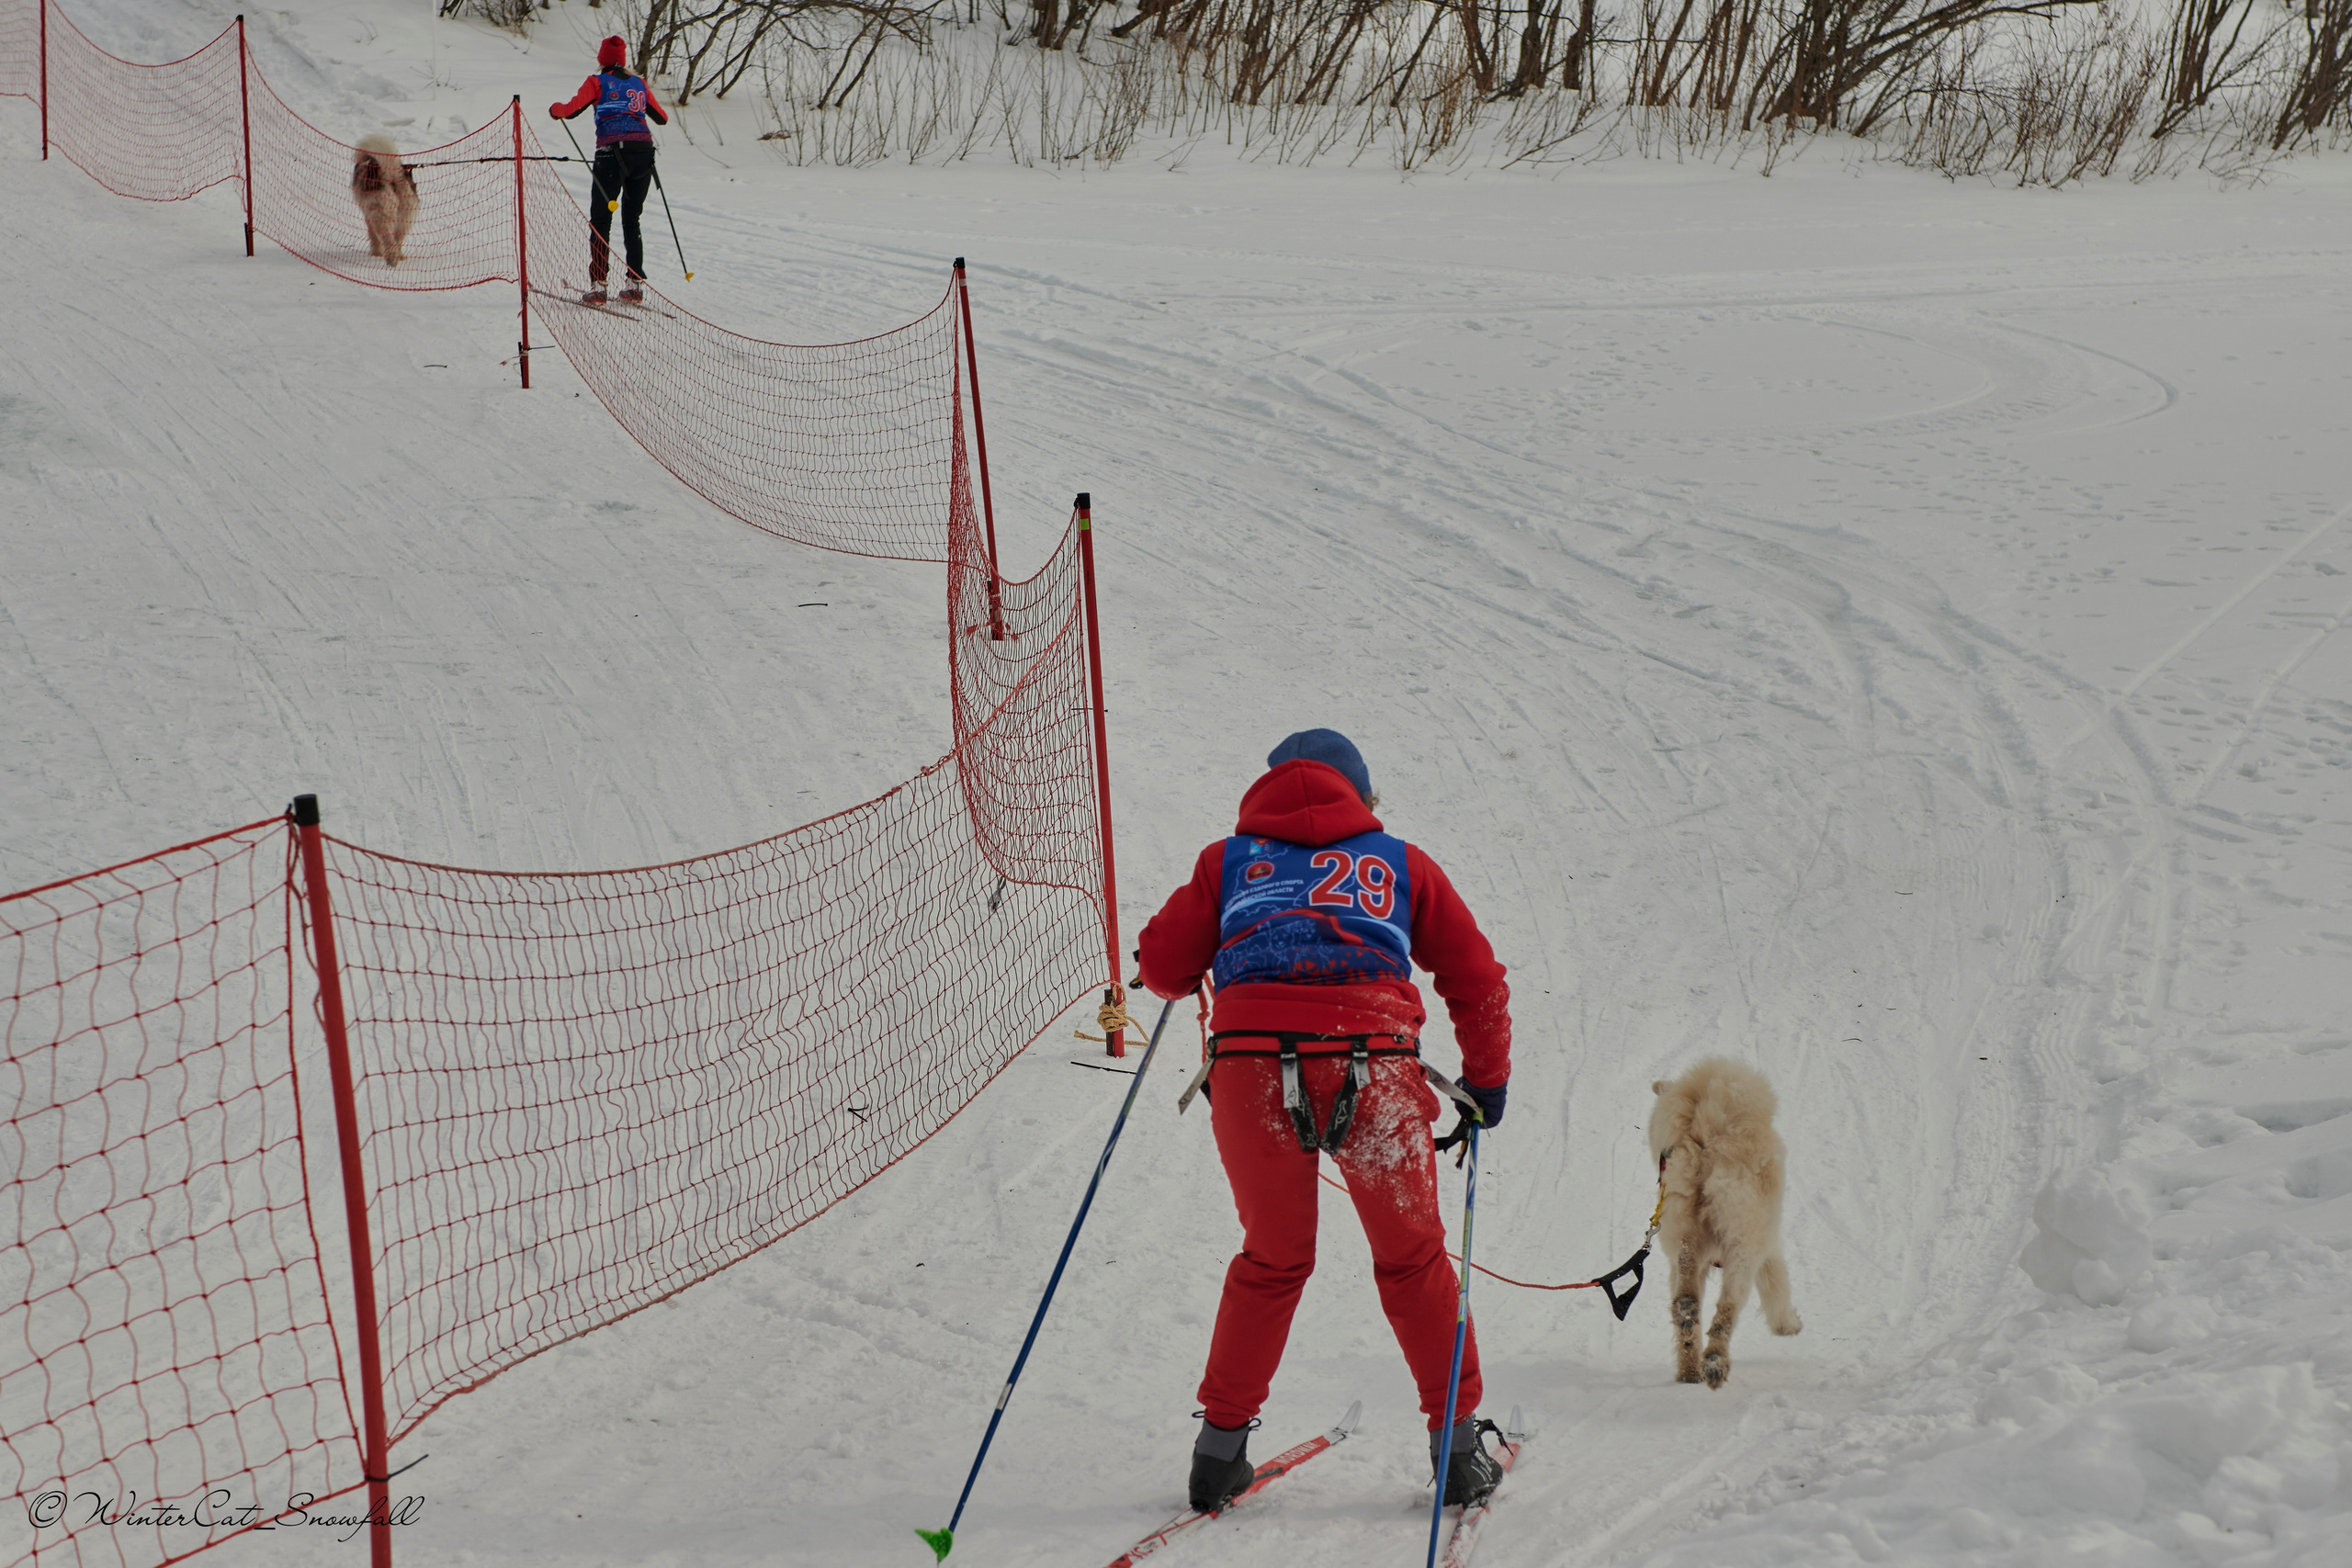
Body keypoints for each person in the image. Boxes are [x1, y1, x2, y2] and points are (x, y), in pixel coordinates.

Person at [1136, 728, 1513, 1513]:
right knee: (1413, 1261)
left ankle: (1218, 1454)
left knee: (1271, 1259)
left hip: (1250, 1072)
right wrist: (1486, 1082)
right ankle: (1458, 1450)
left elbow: (1166, 970)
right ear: (1363, 797)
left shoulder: (1227, 861)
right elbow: (1476, 979)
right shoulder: (1400, 862)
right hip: (1373, 1068)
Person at [549, 36, 669, 304]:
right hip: (643, 154)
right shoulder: (639, 83)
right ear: (623, 60)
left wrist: (554, 110)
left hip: (611, 154)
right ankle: (634, 284)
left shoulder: (597, 82)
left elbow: (570, 110)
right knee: (631, 217)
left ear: (602, 59)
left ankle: (599, 286)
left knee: (601, 219)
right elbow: (661, 117)